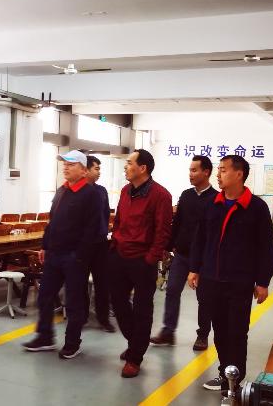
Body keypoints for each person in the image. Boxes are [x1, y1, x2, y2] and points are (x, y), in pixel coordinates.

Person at [187, 155, 273, 393]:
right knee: (219, 332)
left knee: (237, 332)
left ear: (239, 174)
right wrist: (194, 268)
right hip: (211, 279)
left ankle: (235, 381)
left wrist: (263, 281)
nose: (218, 174)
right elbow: (200, 239)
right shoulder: (212, 204)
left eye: (223, 170)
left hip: (239, 282)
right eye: (219, 169)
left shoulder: (256, 207)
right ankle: (224, 374)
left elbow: (266, 248)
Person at [23, 150, 103, 359]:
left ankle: (72, 343)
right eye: (64, 164)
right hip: (54, 255)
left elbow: (93, 230)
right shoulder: (62, 191)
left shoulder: (91, 194)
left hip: (74, 257)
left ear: (83, 170)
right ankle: (45, 337)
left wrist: (80, 256)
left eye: (71, 164)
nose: (65, 167)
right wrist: (44, 246)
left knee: (74, 302)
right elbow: (52, 222)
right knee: (44, 296)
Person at [110, 149, 172, 378]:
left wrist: (151, 258)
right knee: (117, 301)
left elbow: (163, 231)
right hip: (120, 255)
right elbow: (119, 221)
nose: (125, 167)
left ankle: (135, 357)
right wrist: (115, 243)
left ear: (142, 168)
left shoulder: (160, 195)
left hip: (143, 260)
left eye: (129, 163)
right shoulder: (125, 191)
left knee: (142, 308)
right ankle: (136, 341)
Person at [151, 155, 216, 350]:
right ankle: (168, 331)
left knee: (204, 298)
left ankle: (202, 335)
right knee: (172, 290)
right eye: (190, 170)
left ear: (206, 172)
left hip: (204, 259)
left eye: (194, 170)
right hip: (182, 254)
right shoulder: (186, 195)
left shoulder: (215, 199)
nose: (190, 174)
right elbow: (177, 223)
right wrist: (168, 246)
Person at [84, 155, 115, 332]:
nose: (99, 172)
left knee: (103, 282)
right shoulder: (78, 191)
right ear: (86, 170)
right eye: (96, 169)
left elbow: (105, 214)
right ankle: (82, 317)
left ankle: (103, 319)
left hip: (101, 243)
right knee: (80, 282)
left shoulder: (101, 191)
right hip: (83, 245)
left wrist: (103, 231)